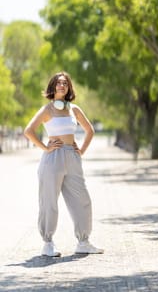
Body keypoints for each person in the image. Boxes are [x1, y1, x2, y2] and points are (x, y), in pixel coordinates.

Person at [24, 71, 103, 257]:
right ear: (53, 87)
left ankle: (83, 242)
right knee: (49, 201)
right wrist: (45, 147)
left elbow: (89, 130)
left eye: (65, 83)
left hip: (72, 157)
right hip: (53, 159)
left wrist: (81, 151)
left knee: (83, 200)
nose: (62, 86)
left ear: (68, 88)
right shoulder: (47, 110)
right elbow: (29, 130)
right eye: (59, 83)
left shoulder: (74, 109)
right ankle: (48, 243)